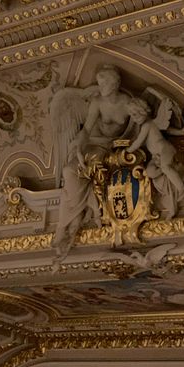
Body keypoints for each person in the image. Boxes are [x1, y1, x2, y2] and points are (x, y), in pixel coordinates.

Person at [52, 65, 132, 256]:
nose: (100, 85)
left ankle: (73, 223)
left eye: (104, 82)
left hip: (111, 148)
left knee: (91, 170)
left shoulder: (127, 103)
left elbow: (139, 126)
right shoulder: (97, 102)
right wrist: (78, 146)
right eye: (99, 81)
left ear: (115, 84)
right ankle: (67, 224)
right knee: (70, 172)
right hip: (92, 145)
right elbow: (86, 130)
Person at [127, 97, 184, 194]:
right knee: (149, 172)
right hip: (156, 156)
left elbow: (138, 142)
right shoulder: (149, 124)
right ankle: (171, 168)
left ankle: (182, 188)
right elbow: (167, 130)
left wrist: (127, 151)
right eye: (131, 116)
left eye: (135, 114)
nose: (133, 118)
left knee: (166, 166)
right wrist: (180, 132)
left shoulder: (147, 125)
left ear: (142, 111)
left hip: (165, 149)